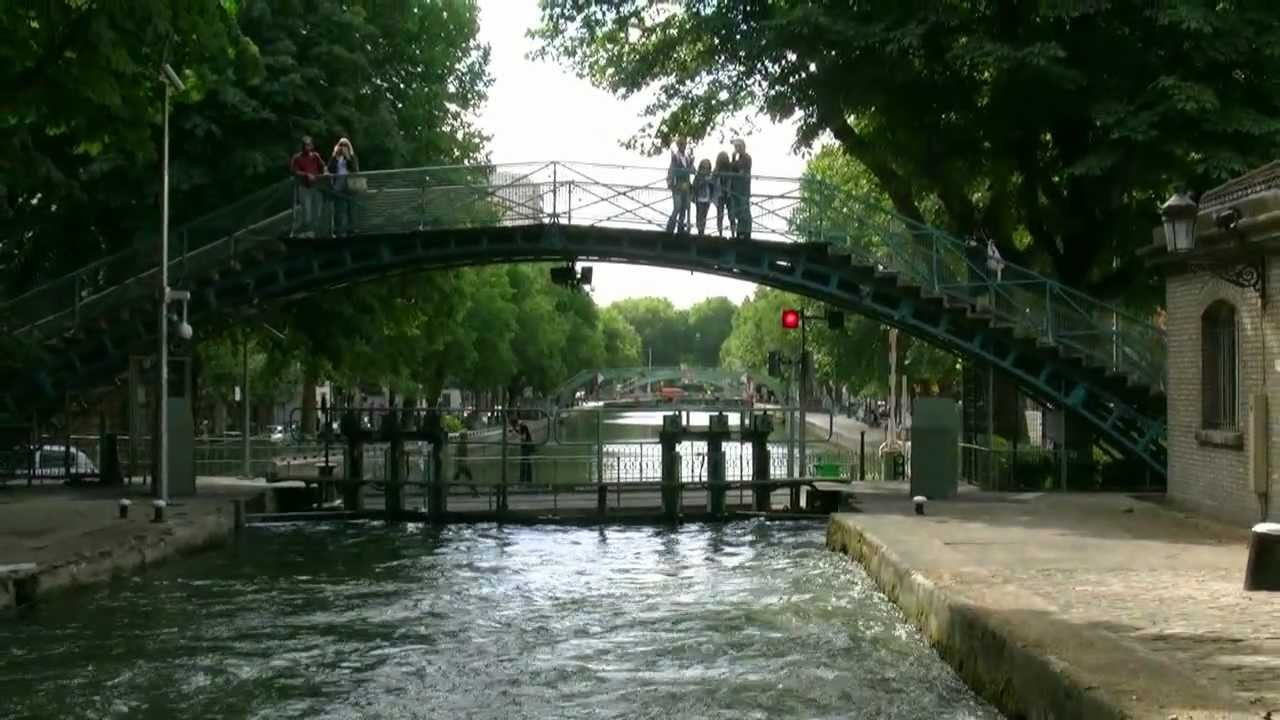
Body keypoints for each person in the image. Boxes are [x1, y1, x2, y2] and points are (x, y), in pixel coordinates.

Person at [290, 135, 327, 237]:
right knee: (307, 215)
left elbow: (323, 166)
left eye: (309, 145)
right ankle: (303, 233)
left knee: (317, 213)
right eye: (305, 145)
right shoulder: (297, 157)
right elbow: (294, 171)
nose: (307, 147)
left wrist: (325, 172)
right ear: (302, 146)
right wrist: (306, 174)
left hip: (317, 187)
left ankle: (313, 233)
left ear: (312, 145)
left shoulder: (315, 156)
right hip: (305, 188)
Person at [328, 137, 359, 237]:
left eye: (345, 145)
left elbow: (355, 169)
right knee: (339, 211)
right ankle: (338, 232)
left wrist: (348, 157)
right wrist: (335, 156)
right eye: (341, 145)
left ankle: (352, 231)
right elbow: (330, 169)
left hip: (350, 187)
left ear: (349, 147)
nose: (343, 147)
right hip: (338, 187)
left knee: (351, 210)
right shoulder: (335, 157)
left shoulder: (352, 157)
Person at [665, 138, 694, 234]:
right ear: (678, 145)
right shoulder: (675, 157)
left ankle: (680, 228)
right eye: (681, 144)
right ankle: (670, 227)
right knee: (677, 207)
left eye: (684, 144)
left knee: (684, 208)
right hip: (677, 186)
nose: (683, 146)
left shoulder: (687, 157)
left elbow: (692, 170)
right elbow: (671, 171)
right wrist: (671, 184)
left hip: (686, 186)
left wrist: (692, 163)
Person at [731, 139, 753, 239]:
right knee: (739, 212)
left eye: (739, 146)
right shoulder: (739, 158)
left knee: (745, 211)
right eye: (736, 147)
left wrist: (734, 160)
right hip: (736, 189)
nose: (737, 148)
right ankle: (740, 232)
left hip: (744, 189)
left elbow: (739, 166)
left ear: (743, 147)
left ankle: (746, 232)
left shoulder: (747, 158)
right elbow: (732, 167)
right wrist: (733, 158)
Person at [713, 151, 735, 237]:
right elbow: (713, 179)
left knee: (731, 215)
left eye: (725, 158)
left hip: (729, 194)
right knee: (720, 215)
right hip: (720, 195)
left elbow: (734, 173)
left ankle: (733, 233)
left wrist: (733, 158)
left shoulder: (730, 168)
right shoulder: (716, 170)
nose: (724, 160)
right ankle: (720, 234)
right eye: (722, 158)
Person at [692, 158, 714, 236]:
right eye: (704, 167)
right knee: (699, 215)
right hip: (699, 198)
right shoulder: (698, 176)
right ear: (701, 167)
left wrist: (710, 182)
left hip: (707, 198)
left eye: (707, 168)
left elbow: (713, 187)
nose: (705, 169)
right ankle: (699, 230)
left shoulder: (710, 176)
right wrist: (703, 181)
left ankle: (702, 231)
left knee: (704, 216)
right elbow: (695, 186)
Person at [452, 431, 478, 497]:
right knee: (469, 477)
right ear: (464, 437)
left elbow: (458, 454)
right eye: (466, 436)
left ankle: (475, 492)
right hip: (462, 464)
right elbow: (462, 454)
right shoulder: (463, 444)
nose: (467, 437)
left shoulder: (460, 443)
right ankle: (475, 492)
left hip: (460, 464)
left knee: (456, 478)